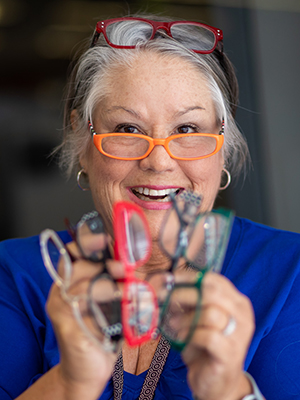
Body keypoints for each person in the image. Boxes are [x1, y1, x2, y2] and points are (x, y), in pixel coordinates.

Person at [0, 14, 299, 400]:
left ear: (222, 148)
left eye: (187, 130)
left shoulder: (290, 272)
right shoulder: (17, 275)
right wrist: (70, 383)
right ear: (82, 143)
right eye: (127, 129)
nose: (159, 162)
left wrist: (229, 390)